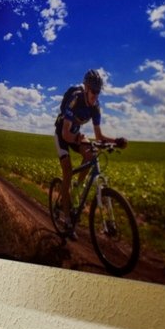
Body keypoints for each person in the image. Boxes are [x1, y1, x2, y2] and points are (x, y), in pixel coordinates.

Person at [54, 69, 127, 230]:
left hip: (75, 135)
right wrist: (78, 139)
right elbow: (65, 133)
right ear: (86, 88)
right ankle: (67, 218)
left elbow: (99, 136)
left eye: (98, 91)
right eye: (93, 90)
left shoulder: (95, 107)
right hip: (62, 135)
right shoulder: (75, 99)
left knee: (91, 154)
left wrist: (116, 141)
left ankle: (76, 190)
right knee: (67, 172)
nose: (96, 94)